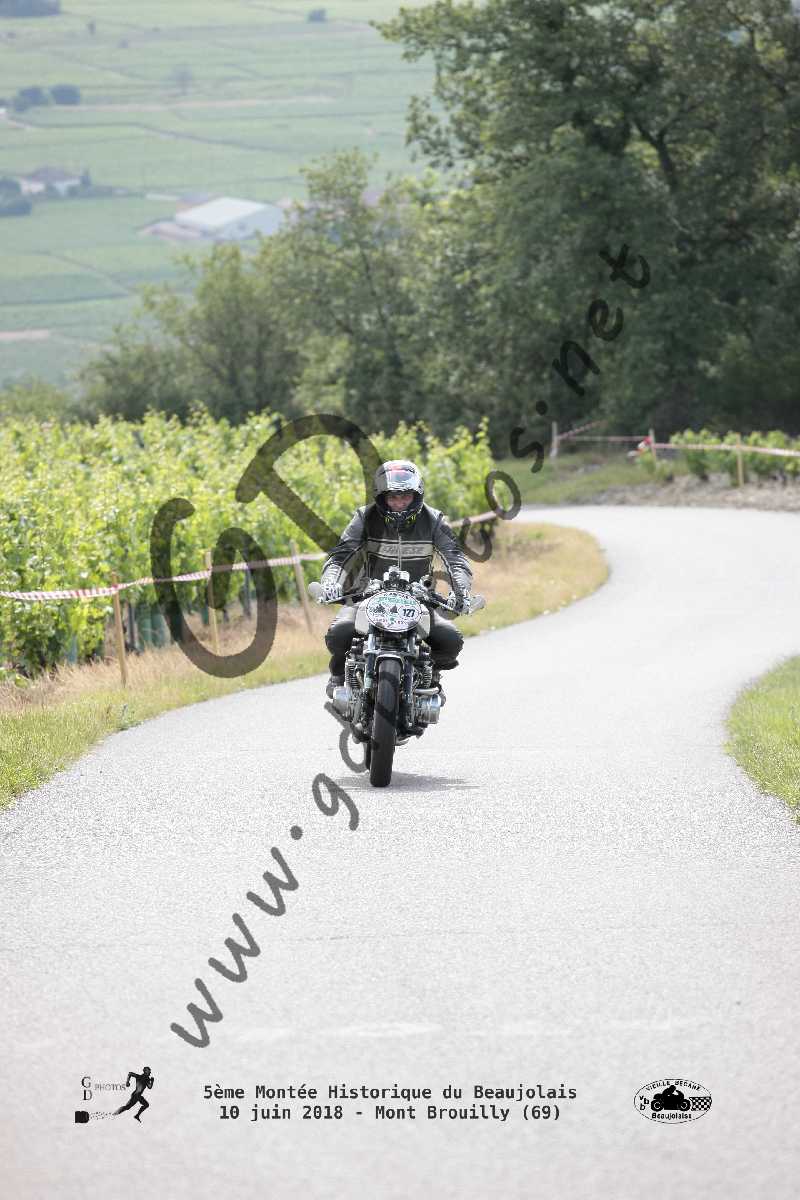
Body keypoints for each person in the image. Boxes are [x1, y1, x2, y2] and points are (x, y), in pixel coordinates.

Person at [320, 460, 473, 702]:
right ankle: (339, 675)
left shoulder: (434, 520)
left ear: (417, 495)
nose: (400, 503)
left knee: (450, 640)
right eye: (393, 497)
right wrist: (331, 582)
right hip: (371, 596)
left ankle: (430, 676)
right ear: (382, 497)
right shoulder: (364, 517)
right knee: (339, 633)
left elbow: (456, 559)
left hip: (419, 599)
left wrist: (461, 590)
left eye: (406, 496)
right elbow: (340, 555)